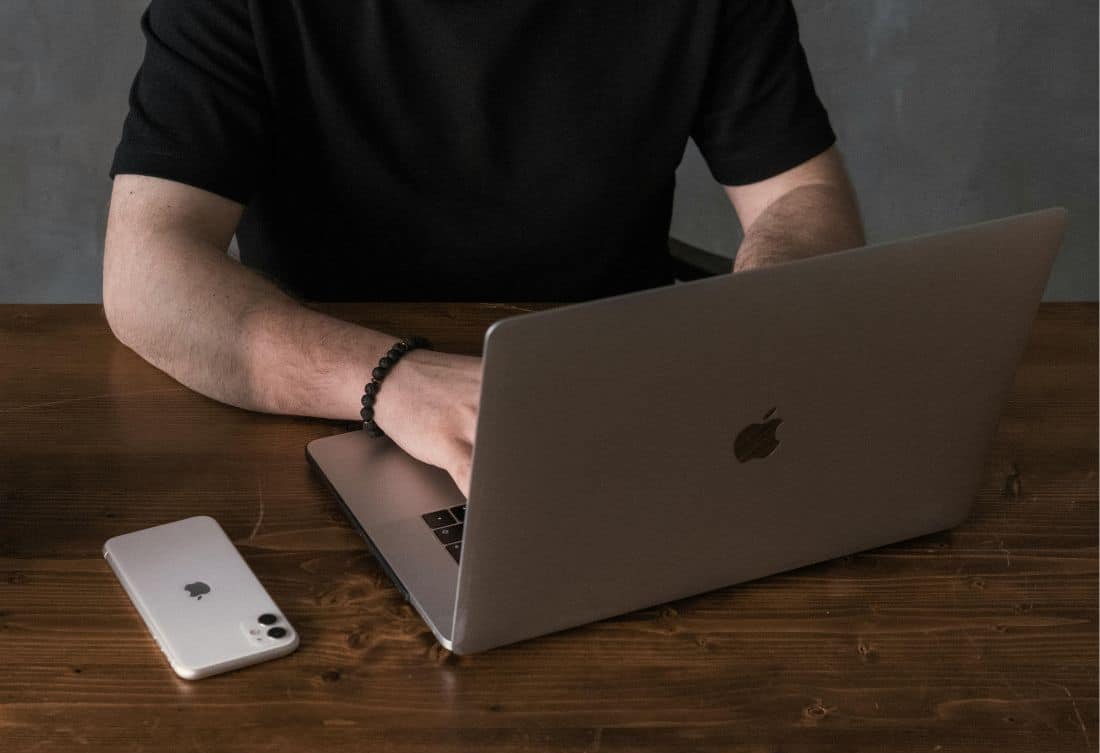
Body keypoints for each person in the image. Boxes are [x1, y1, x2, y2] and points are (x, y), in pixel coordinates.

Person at [103, 1, 865, 496]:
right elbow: (147, 269)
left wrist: (761, 317)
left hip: (615, 408)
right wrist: (394, 383)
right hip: (320, 412)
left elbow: (803, 199)